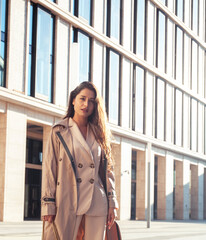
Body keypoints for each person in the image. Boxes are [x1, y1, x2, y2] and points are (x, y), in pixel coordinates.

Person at [41, 81, 119, 240]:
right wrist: (48, 204)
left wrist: (112, 202)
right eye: (82, 98)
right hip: (68, 201)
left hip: (97, 202)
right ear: (73, 100)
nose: (86, 104)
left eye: (91, 101)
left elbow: (107, 172)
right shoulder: (59, 131)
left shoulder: (99, 134)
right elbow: (50, 170)